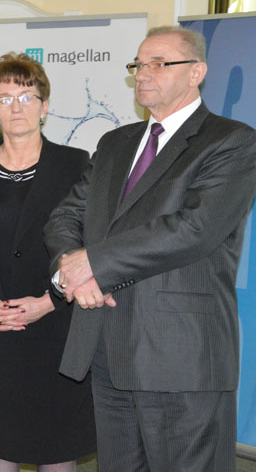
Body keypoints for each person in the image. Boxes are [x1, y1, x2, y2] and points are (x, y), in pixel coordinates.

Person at [45, 26, 256, 471]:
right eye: (138, 65)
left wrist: (93, 264)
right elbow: (66, 216)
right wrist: (71, 271)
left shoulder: (231, 141)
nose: (143, 74)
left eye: (159, 64)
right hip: (107, 350)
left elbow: (194, 229)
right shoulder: (115, 143)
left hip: (180, 356)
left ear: (196, 72)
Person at [0, 53, 95, 471]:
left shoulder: (75, 164)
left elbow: (90, 248)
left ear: (45, 106)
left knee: (57, 450)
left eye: (27, 97)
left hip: (55, 331)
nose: (16, 107)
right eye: (5, 99)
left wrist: (49, 301)